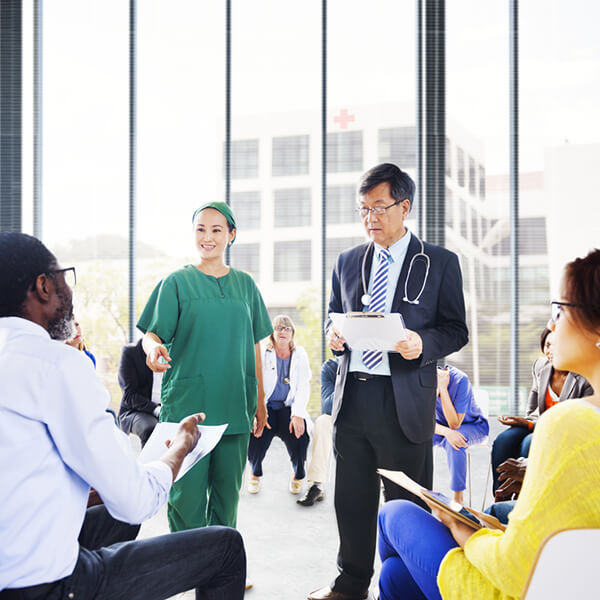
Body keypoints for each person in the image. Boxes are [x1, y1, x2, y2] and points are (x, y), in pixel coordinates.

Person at [0, 232, 245, 599]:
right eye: (63, 276)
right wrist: (178, 449)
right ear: (43, 286)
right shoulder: (58, 365)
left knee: (118, 517)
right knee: (226, 547)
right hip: (43, 586)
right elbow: (136, 499)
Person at [376, 248, 600, 600]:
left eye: (560, 309)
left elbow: (514, 569)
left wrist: (464, 530)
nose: (552, 325)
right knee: (395, 574)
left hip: (514, 589)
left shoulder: (572, 423)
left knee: (394, 512)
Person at [308, 163, 468, 600]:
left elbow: (457, 329)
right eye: (363, 209)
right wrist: (334, 337)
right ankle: (351, 584)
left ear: (405, 207)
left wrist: (422, 342)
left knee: (405, 507)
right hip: (353, 397)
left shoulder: (439, 263)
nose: (370, 218)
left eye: (379, 207)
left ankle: (405, 586)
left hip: (404, 403)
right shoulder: (346, 261)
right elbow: (332, 319)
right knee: (352, 501)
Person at [138, 202, 272, 533]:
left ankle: (221, 572)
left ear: (231, 235)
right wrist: (153, 347)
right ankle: (187, 571)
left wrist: (260, 402)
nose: (207, 237)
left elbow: (255, 345)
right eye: (201, 229)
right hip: (188, 408)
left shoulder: (246, 286)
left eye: (216, 230)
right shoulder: (176, 282)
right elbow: (151, 334)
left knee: (227, 498)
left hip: (234, 406)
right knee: (186, 499)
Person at [491, 327, 593, 492]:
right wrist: (525, 422)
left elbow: (575, 424)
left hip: (566, 432)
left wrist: (529, 425)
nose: (550, 351)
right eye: (547, 345)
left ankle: (527, 498)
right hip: (538, 424)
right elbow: (532, 413)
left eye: (557, 345)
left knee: (530, 443)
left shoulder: (585, 378)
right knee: (504, 440)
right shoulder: (540, 367)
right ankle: (500, 494)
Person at [247, 314, 312, 494]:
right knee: (256, 435)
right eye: (278, 328)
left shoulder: (300, 354)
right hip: (265, 407)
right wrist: (256, 411)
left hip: (288, 408)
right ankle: (255, 473)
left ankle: (297, 473)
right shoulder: (262, 352)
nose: (283, 331)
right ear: (272, 333)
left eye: (287, 328)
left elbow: (304, 386)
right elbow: (253, 383)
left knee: (300, 434)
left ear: (292, 333)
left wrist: (298, 414)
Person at [432, 365, 489, 504]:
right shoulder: (419, 381)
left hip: (473, 426)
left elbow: (454, 424)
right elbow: (420, 422)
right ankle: (416, 489)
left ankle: (458, 498)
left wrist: (443, 389)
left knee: (455, 441)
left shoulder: (460, 380)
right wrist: (446, 432)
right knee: (415, 437)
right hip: (440, 428)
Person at [298, 357, 338, 507]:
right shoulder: (331, 367)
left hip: (370, 418)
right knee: (321, 422)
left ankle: (385, 485)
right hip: (341, 418)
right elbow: (328, 407)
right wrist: (347, 379)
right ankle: (317, 486)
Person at [117, 338, 161, 447]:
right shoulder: (131, 352)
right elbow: (130, 396)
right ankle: (147, 464)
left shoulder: (178, 353)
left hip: (169, 408)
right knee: (151, 428)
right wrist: (156, 409)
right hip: (136, 410)